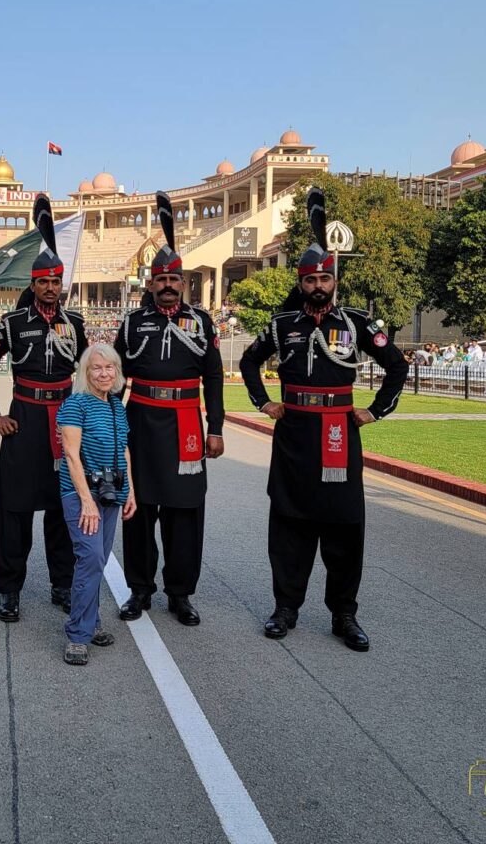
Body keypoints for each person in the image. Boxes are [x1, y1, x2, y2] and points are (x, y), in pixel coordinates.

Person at [240, 188, 409, 652]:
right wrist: (263, 403)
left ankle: (344, 615)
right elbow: (250, 362)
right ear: (300, 280)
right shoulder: (282, 324)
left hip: (339, 432)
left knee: (343, 527)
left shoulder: (356, 324)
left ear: (334, 281)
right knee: (290, 525)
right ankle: (286, 608)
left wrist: (374, 410)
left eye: (325, 279)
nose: (318, 285)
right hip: (294, 435)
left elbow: (398, 365)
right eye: (310, 279)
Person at [114, 192, 224, 626]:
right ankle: (139, 589)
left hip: (185, 426)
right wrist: (111, 426)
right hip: (140, 421)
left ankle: (180, 593)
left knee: (184, 513)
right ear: (150, 282)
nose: (167, 285)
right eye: (160, 278)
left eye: (174, 279)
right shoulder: (131, 323)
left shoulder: (201, 322)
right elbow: (113, 377)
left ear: (184, 282)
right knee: (138, 511)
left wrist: (215, 427)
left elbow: (213, 377)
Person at [0, 195, 86, 623]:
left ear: (62, 283)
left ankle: (62, 584)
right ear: (34, 283)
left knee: (62, 507)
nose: (51, 288)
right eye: (43, 282)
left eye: (56, 281)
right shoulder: (12, 323)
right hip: (23, 420)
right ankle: (10, 589)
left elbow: (92, 371)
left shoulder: (74, 323)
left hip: (64, 422)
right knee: (15, 510)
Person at [56, 344, 136, 666]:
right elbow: (70, 455)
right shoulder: (75, 404)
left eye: (109, 368)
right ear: (85, 373)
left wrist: (130, 491)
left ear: (116, 372)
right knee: (89, 558)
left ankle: (93, 622)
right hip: (81, 495)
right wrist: (86, 501)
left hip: (111, 494)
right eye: (96, 368)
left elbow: (124, 450)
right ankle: (77, 635)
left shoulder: (117, 406)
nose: (104, 373)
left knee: (98, 560)